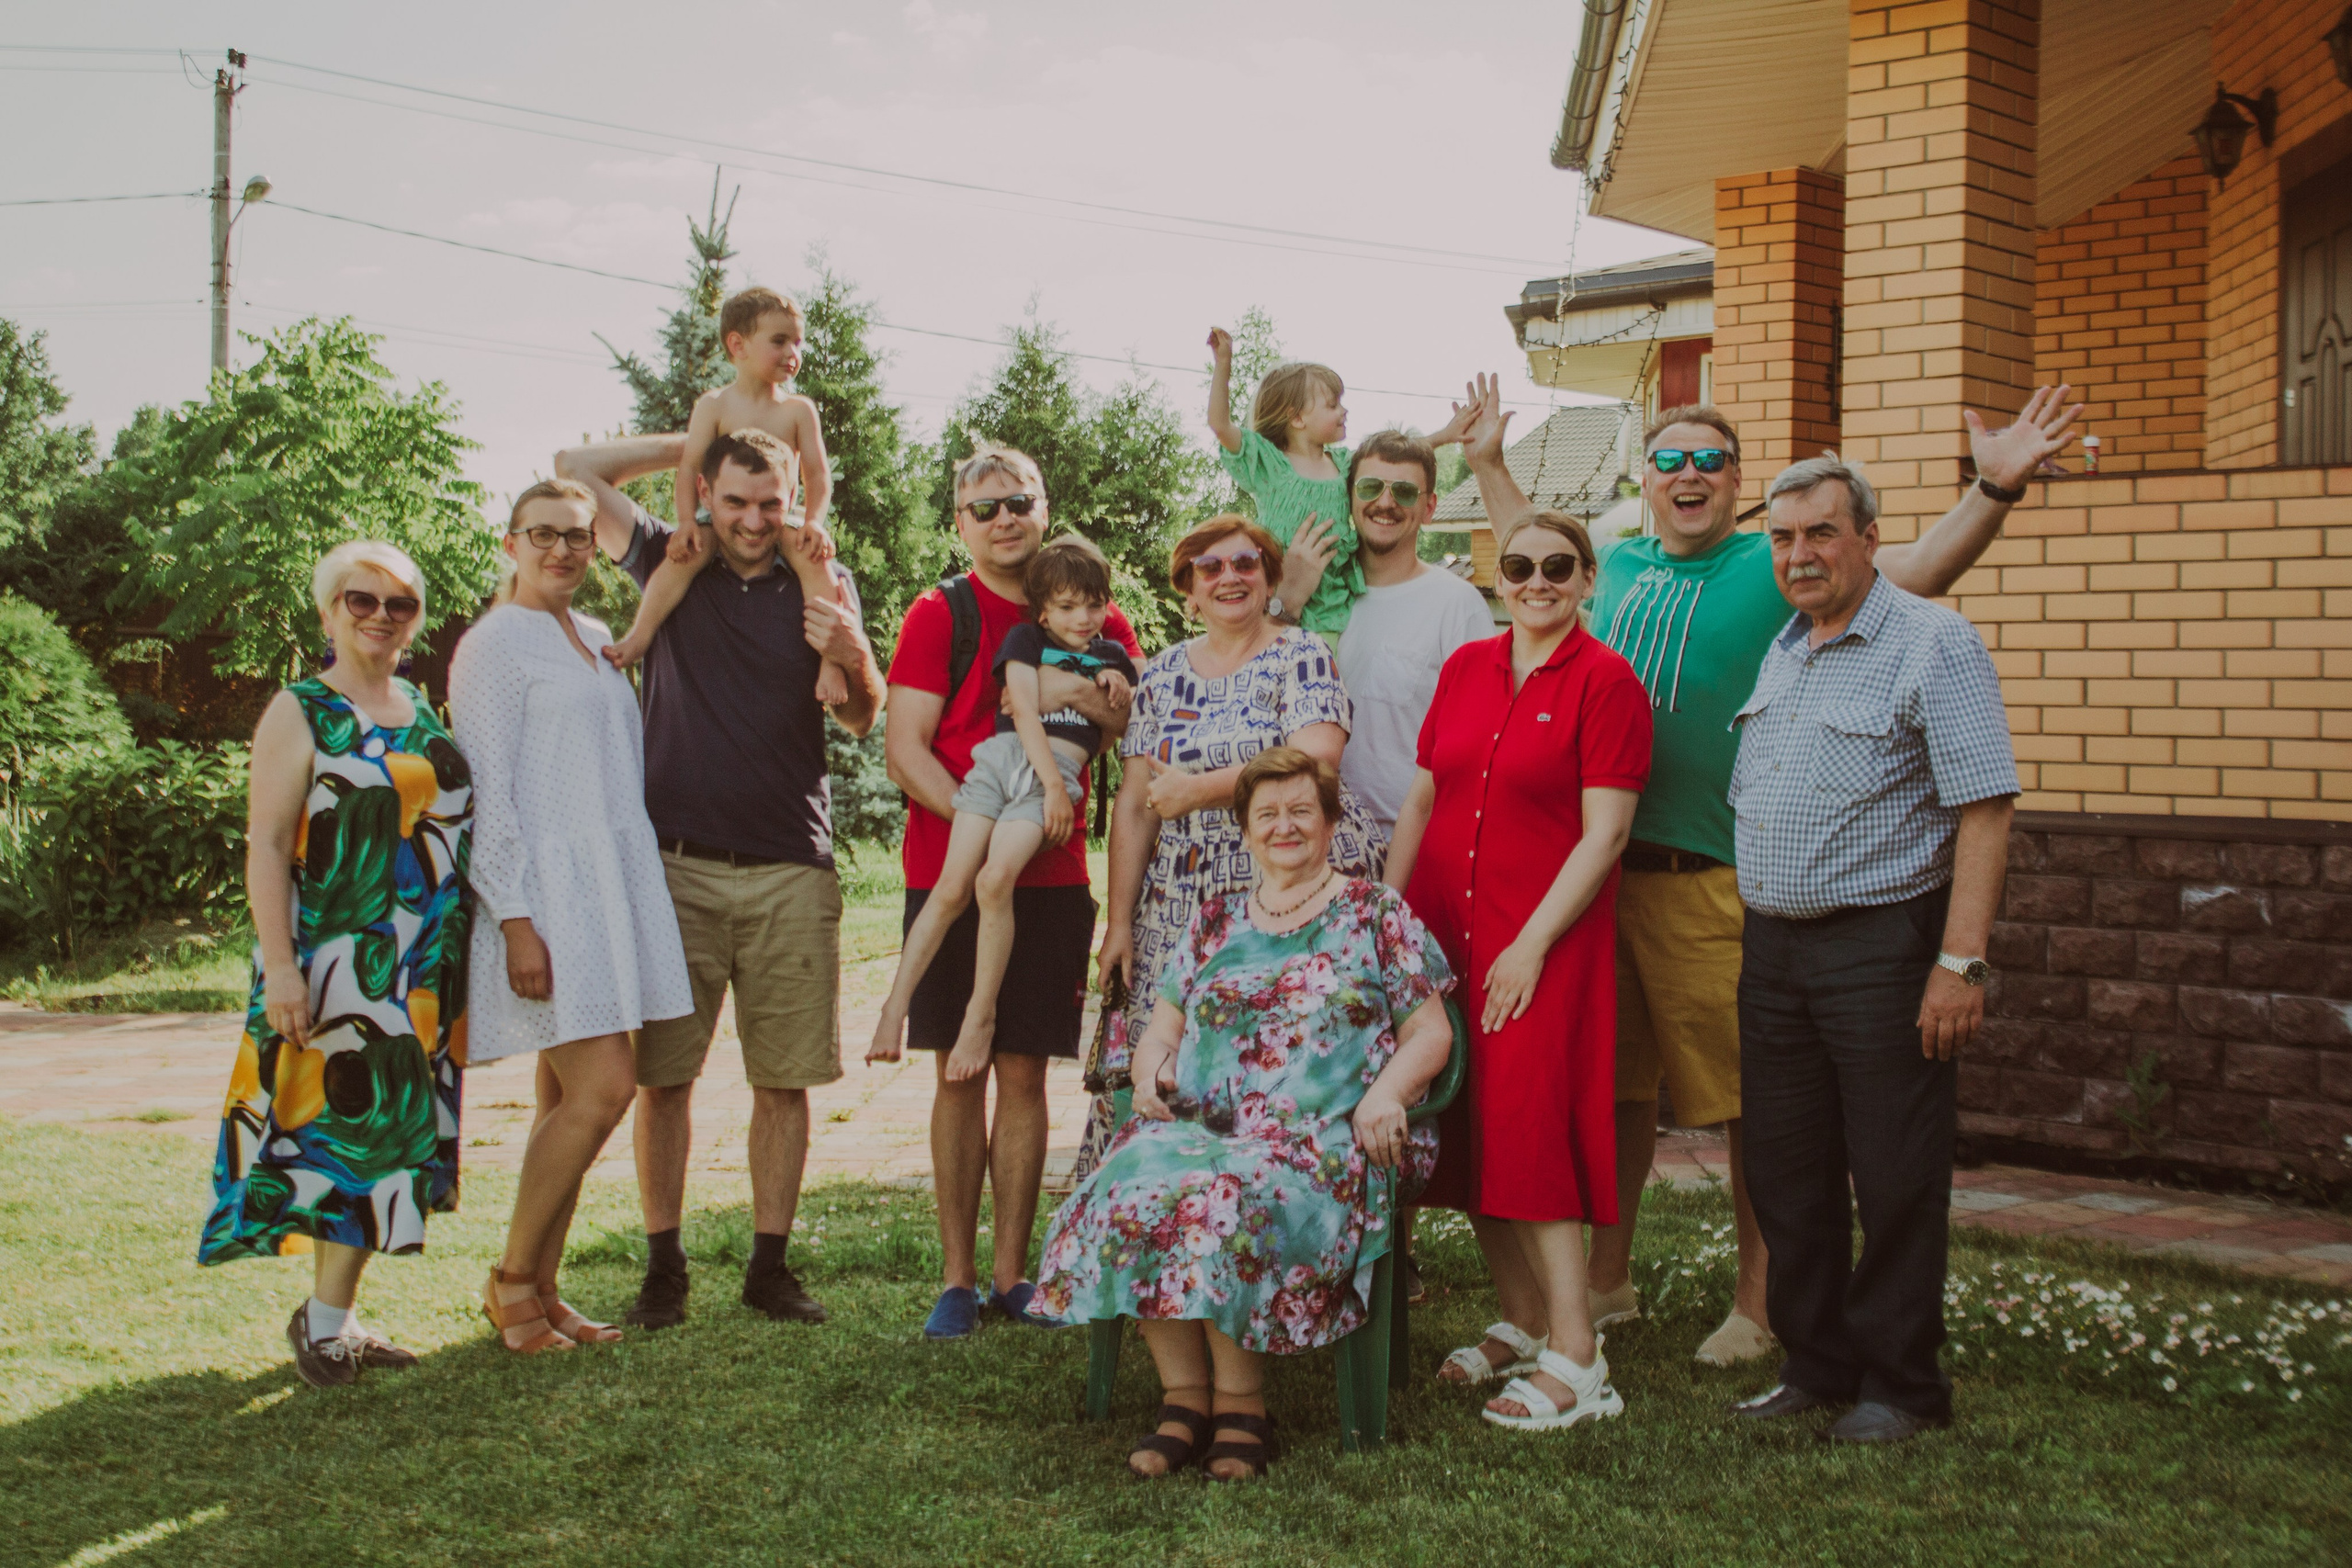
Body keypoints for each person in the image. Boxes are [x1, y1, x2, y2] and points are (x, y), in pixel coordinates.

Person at [1459, 374, 2080, 1364]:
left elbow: (1916, 570)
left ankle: (1759, 1302)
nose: (1689, 473)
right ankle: (1609, 1282)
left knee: (1753, 1106)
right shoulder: (1616, 567)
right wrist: (1489, 463)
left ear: (1736, 481)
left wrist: (1993, 489)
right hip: (1601, 880)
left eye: (1709, 459)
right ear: (1644, 478)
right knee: (1613, 1091)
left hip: (1713, 878)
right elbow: (1531, 553)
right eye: (1669, 459)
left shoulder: (1773, 565)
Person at [1037, 748, 1456, 1482]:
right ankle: (1183, 1397)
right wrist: (1153, 1072)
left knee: (1221, 1193)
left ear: (1331, 822)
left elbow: (1430, 1031)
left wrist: (1388, 1092)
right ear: (1245, 829)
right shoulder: (1215, 919)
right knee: (1129, 1181)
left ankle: (1240, 1404)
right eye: (1267, 814)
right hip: (1205, 1124)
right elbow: (1160, 1032)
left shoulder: (1374, 913)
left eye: (1301, 810)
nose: (1284, 826)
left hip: (1327, 1136)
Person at [554, 427, 883, 1332]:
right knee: (666, 1080)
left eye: (770, 502)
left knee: (785, 1081)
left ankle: (769, 1270)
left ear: (791, 498)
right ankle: (665, 1270)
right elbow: (573, 470)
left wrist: (852, 649)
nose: (752, 520)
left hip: (791, 864)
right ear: (705, 493)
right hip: (675, 866)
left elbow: (862, 715)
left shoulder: (821, 573)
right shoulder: (668, 555)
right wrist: (707, 430)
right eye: (734, 500)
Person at [1725, 456, 2018, 1444]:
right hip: (1774, 950)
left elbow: (1985, 806)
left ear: (1868, 539)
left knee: (1894, 1173)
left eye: (1820, 532)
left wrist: (1960, 961)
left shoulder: (1933, 642)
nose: (1799, 554)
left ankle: (1903, 1384)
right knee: (1785, 1169)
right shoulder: (1788, 647)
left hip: (1882, 948)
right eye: (1781, 537)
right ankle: (1816, 1364)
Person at [1385, 508, 1651, 1432]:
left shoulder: (1606, 681)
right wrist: (1384, 923)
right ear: (1497, 578)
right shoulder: (1465, 668)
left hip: (1538, 940)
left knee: (1529, 1126)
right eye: (1520, 566)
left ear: (1587, 579)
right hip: (1444, 933)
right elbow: (1423, 798)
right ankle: (1524, 1317)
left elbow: (1606, 833)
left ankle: (1579, 1356)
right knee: (1465, 1126)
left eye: (1558, 566)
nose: (1537, 581)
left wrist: (1531, 942)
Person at [883, 446, 1141, 1339]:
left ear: (1043, 506)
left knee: (1025, 1071)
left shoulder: (1094, 608)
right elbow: (905, 749)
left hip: (1055, 876)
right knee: (958, 1073)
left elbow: (1127, 724)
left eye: (1018, 502)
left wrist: (1069, 691)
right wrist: (986, 818)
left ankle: (1012, 1275)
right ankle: (956, 1279)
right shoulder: (938, 614)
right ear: (961, 522)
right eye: (984, 506)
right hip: (951, 869)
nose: (1004, 519)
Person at [201, 542, 470, 1387]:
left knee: (377, 1139)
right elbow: (267, 845)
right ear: (328, 611)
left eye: (400, 604)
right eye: (362, 600)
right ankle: (324, 1323)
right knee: (342, 1135)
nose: (381, 617)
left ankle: (334, 1317)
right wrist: (281, 968)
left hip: (416, 964)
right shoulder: (301, 709)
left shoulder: (419, 707)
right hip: (335, 958)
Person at [452, 479, 696, 1354]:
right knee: (604, 1088)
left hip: (608, 887)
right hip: (544, 898)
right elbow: (486, 794)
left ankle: (546, 1290)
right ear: (511, 542)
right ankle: (512, 1281)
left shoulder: (596, 636)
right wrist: (515, 917)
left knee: (562, 1095)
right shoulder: (491, 645)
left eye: (578, 537)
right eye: (543, 534)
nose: (561, 550)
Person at [1096, 516, 1386, 1142]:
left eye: (1246, 563)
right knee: (1166, 1057)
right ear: (1189, 590)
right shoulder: (1161, 675)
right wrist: (1119, 921)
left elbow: (1316, 759)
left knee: (1277, 1058)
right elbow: (1137, 806)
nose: (1229, 576)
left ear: (1270, 578)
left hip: (1288, 886)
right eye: (1210, 567)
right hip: (1180, 897)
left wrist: (1198, 790)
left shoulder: (1301, 655)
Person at [871, 534, 1136, 1078]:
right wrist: (1056, 784)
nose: (1083, 618)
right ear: (1042, 611)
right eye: (1067, 606)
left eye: (1094, 605)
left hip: (1051, 777)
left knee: (993, 881)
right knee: (951, 888)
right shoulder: (1024, 641)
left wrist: (1112, 683)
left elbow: (1133, 718)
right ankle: (893, 1009)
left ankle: (981, 1014)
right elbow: (1025, 711)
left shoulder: (1113, 653)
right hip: (1003, 765)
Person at [602, 287, 843, 708]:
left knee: (816, 563)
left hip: (781, 517)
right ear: (738, 344)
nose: (793, 353)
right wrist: (687, 522)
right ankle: (639, 636)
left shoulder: (798, 410)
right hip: (719, 520)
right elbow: (690, 469)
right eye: (779, 341)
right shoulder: (714, 406)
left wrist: (814, 522)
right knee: (681, 560)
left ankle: (832, 661)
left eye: (798, 343)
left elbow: (817, 474)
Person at [1204, 327, 1473, 640]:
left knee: (1327, 662)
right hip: (1279, 591)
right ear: (1297, 418)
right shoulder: (1269, 464)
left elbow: (1394, 457)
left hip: (1331, 602)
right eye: (1332, 405)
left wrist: (1445, 435)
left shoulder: (1343, 464)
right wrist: (1223, 363)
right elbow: (1220, 425)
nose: (1344, 411)